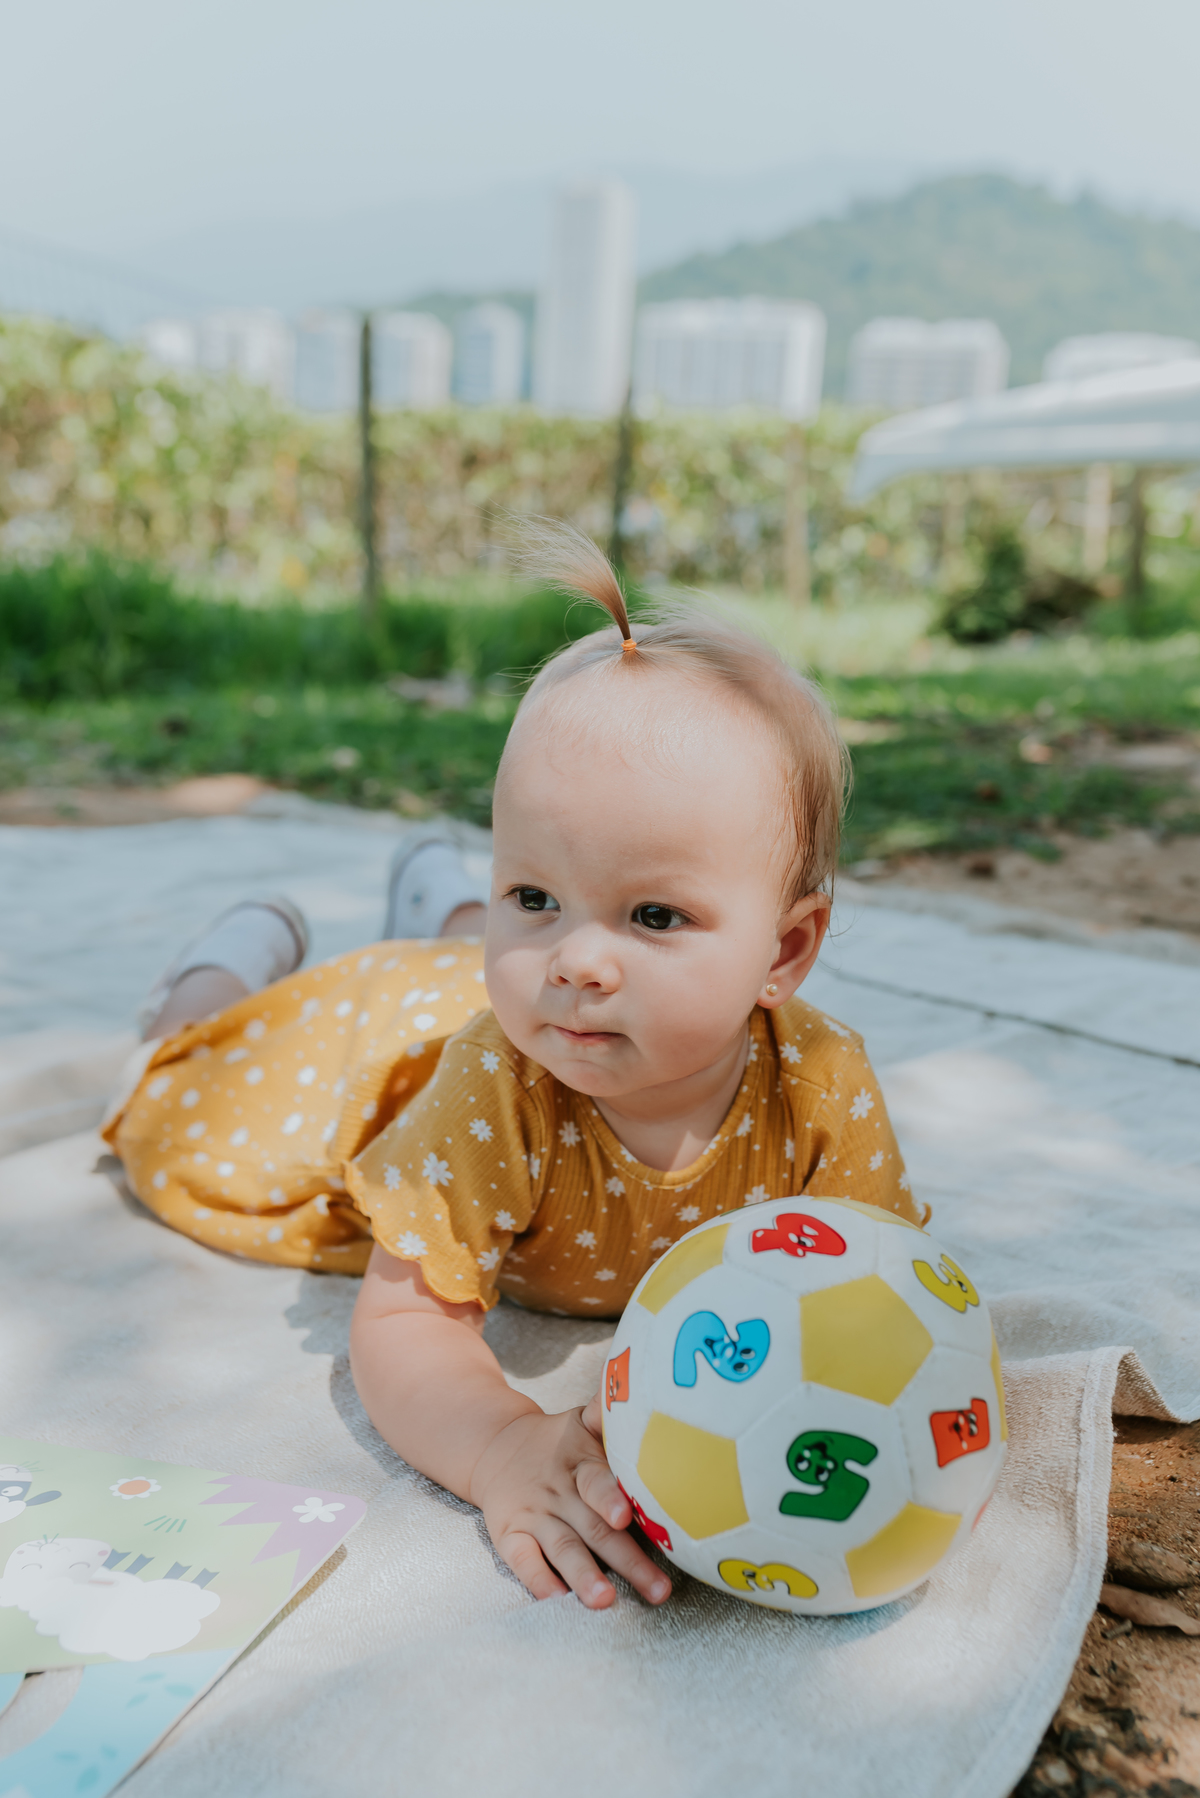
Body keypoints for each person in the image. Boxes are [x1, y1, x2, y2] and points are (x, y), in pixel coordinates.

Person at [105, 523, 926, 1616]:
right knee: (172, 1100)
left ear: (783, 951)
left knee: (497, 971)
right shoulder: (499, 1086)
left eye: (654, 915)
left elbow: (879, 1293)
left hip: (473, 990)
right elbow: (403, 1325)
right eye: (532, 895)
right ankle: (224, 962)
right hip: (365, 1037)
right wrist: (498, 1445)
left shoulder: (821, 1087)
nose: (580, 959)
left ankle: (450, 907)